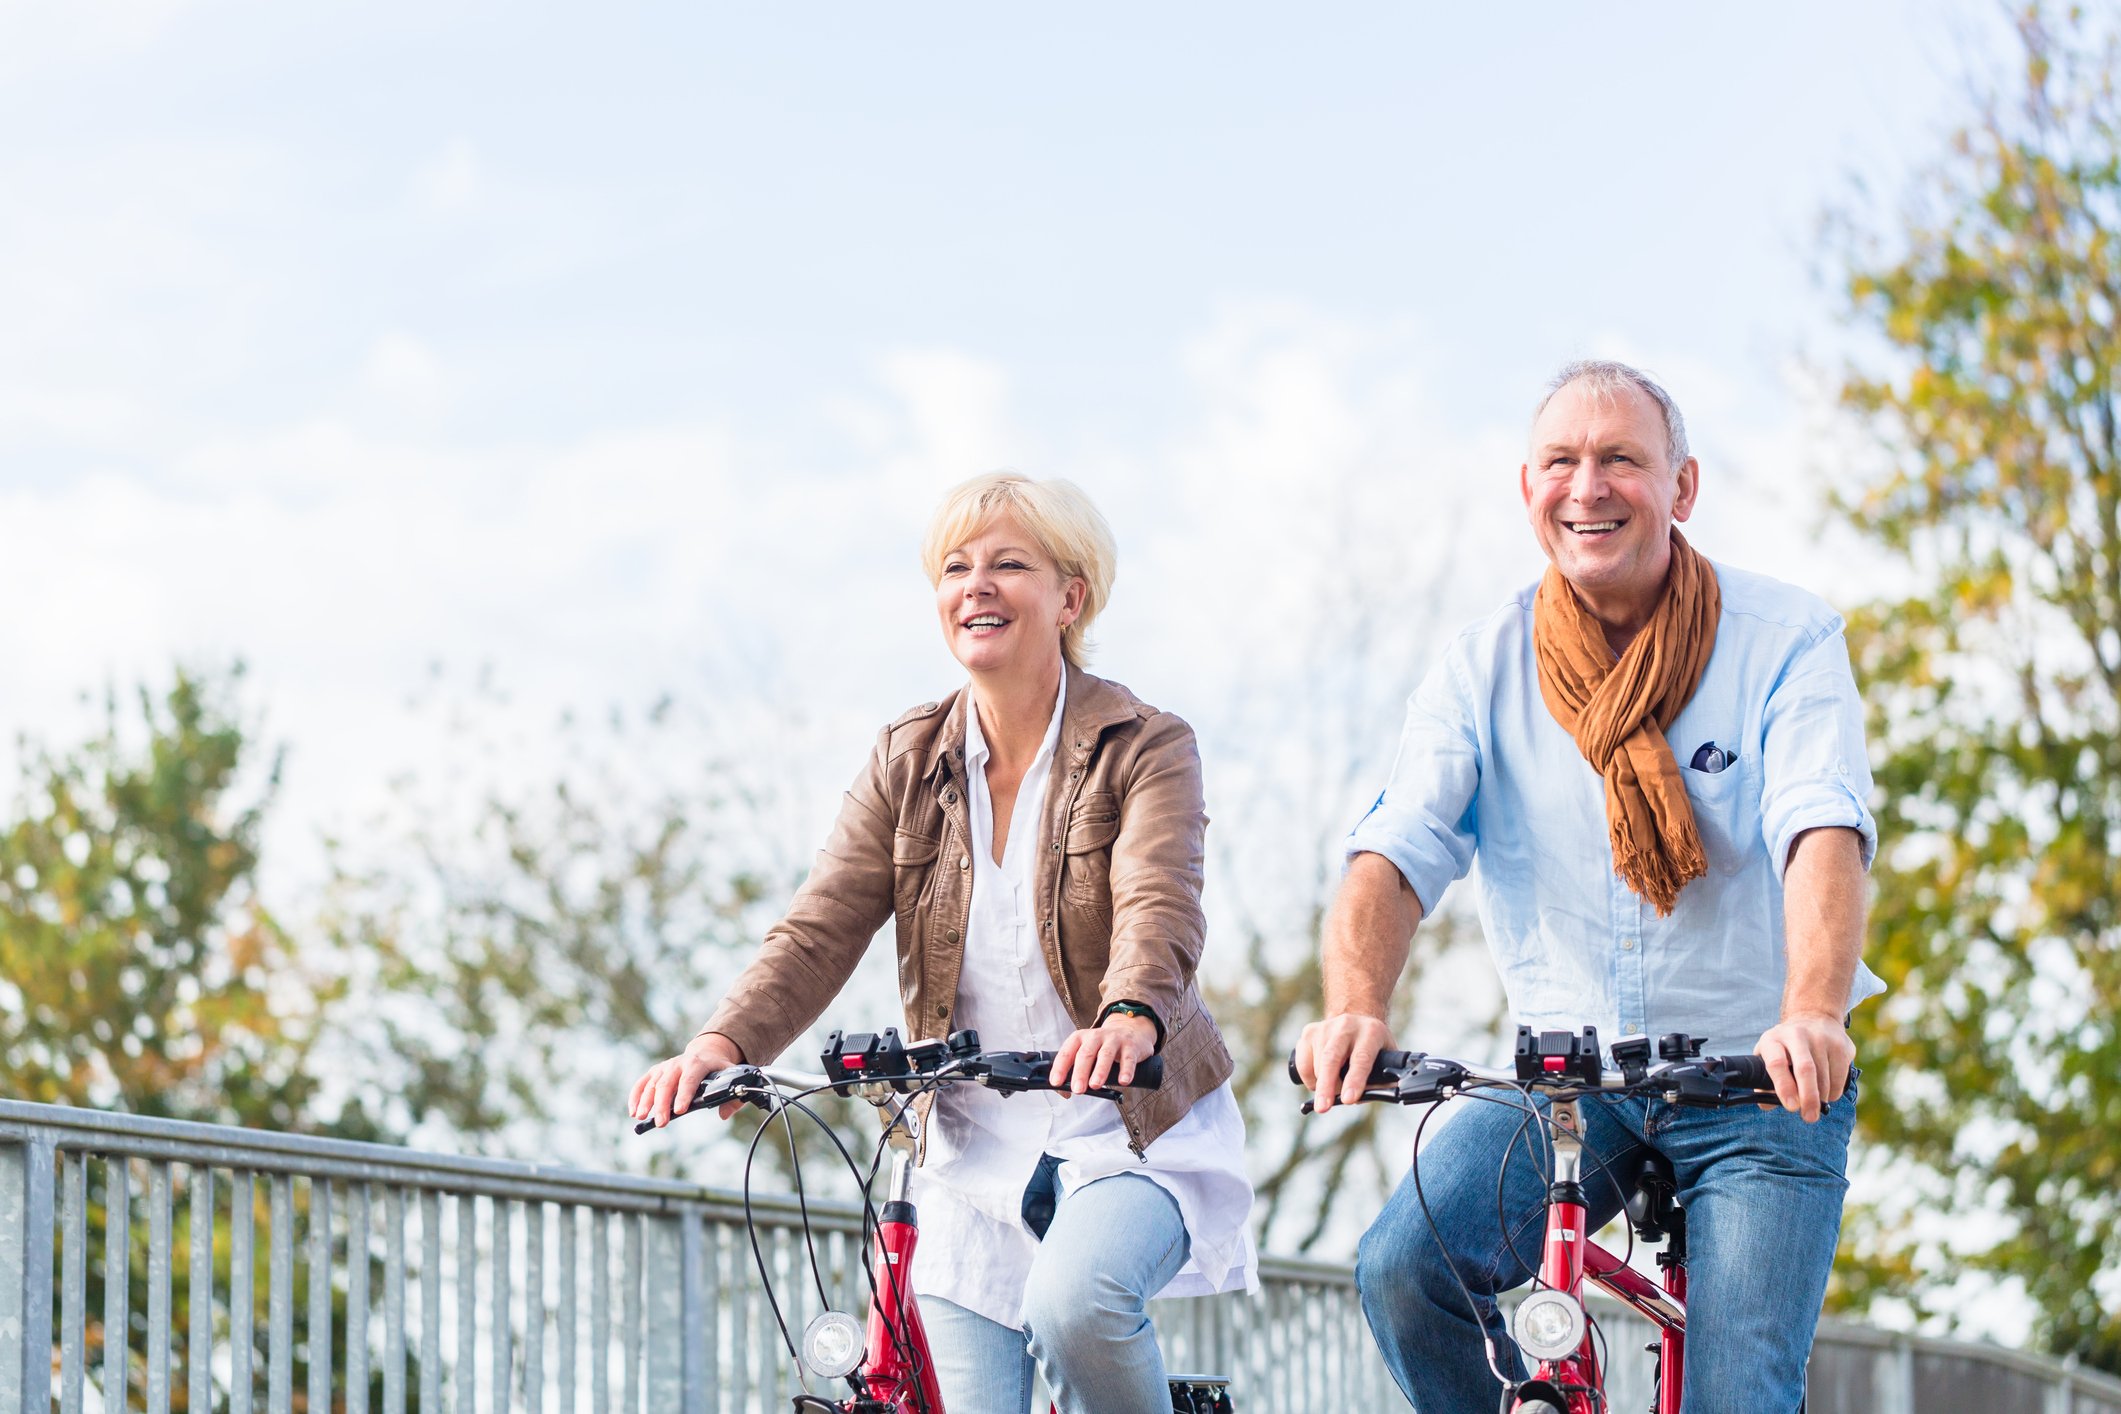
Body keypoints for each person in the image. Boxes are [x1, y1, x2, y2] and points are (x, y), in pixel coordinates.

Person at [1294, 360, 1881, 1412]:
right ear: (1528, 491)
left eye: (1621, 459)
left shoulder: (1785, 638)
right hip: (1573, 1083)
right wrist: (1355, 1008)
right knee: (1402, 1269)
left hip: (1757, 1080)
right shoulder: (1482, 664)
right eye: (1560, 462)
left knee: (1738, 1392)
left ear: (1683, 487)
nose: (1588, 486)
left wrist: (1813, 1013)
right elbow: (1396, 847)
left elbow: (1819, 824)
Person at [630, 472, 1255, 1414]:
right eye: (955, 568)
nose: (977, 585)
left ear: (1070, 597)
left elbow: (1156, 900)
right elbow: (821, 924)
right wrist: (724, 1044)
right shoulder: (907, 760)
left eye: (1010, 564)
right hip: (966, 1159)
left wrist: (1129, 1012)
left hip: (1122, 1131)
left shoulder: (1144, 744)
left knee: (1076, 1305)